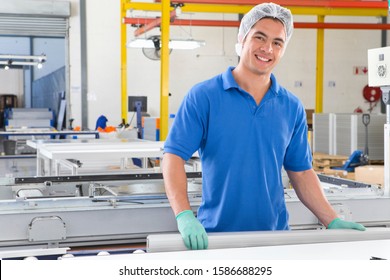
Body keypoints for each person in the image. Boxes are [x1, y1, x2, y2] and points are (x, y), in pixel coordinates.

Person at [162, 2, 365, 250]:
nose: (267, 48)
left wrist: (331, 219)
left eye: (277, 42)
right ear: (242, 38)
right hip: (215, 238)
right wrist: (184, 215)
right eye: (260, 37)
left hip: (274, 239)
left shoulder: (291, 106)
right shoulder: (204, 96)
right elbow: (173, 156)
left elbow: (301, 172)